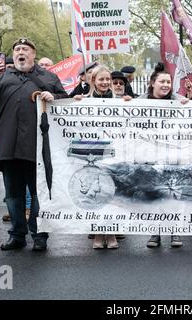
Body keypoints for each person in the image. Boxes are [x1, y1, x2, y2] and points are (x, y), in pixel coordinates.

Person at [0, 38, 68, 251]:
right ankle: (17, 235)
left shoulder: (47, 76)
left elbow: (65, 99)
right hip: (7, 146)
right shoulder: (1, 77)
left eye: (25, 49)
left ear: (33, 54)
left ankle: (39, 236)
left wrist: (53, 95)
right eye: (17, 49)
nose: (20, 52)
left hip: (37, 147)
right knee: (13, 195)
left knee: (38, 194)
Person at [138, 62, 189, 248]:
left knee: (174, 193)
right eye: (162, 81)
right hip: (151, 156)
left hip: (174, 155)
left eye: (169, 82)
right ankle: (155, 233)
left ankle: (175, 231)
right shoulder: (140, 102)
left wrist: (188, 105)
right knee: (155, 194)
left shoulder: (180, 101)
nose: (166, 85)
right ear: (153, 83)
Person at [74, 65, 120, 249]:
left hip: (112, 153)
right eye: (101, 79)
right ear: (93, 81)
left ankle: (112, 233)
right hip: (92, 153)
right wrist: (75, 102)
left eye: (107, 79)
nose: (105, 82)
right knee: (95, 193)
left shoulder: (118, 100)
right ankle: (98, 234)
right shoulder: (85, 99)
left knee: (111, 192)